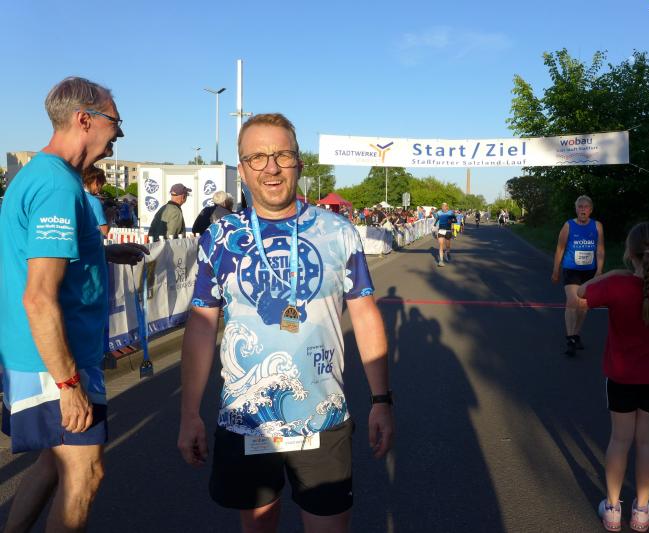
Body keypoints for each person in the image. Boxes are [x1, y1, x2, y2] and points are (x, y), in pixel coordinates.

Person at [178, 113, 394, 533]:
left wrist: (382, 400)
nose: (271, 167)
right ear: (242, 170)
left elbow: (365, 315)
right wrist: (189, 413)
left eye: (282, 155)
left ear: (299, 163)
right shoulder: (220, 238)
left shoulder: (338, 232)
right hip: (247, 419)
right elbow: (202, 326)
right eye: (257, 157)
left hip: (323, 419)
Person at [0, 76, 147, 532]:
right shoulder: (57, 186)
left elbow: (39, 257)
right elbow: (39, 296)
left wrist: (104, 252)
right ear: (85, 119)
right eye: (115, 122)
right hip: (54, 363)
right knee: (85, 473)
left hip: (45, 356)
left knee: (53, 464)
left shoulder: (45, 176)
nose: (119, 134)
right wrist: (68, 383)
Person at [575, 222, 649, 532]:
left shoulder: (616, 286)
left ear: (629, 253)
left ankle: (612, 509)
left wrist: (611, 273)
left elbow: (581, 293)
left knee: (619, 440)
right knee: (647, 443)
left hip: (620, 378)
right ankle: (641, 511)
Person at [551, 195, 605, 356]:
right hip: (571, 268)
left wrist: (599, 270)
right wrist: (556, 270)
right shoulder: (568, 225)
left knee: (583, 305)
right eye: (580, 207)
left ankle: (575, 334)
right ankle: (570, 339)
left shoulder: (597, 226)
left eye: (586, 207)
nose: (583, 210)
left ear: (591, 210)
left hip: (589, 270)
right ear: (576, 209)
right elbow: (560, 248)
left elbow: (600, 249)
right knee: (573, 301)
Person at [82, 165, 110, 236]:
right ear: (96, 182)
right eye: (102, 184)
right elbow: (104, 231)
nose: (101, 188)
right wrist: (110, 216)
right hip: (90, 241)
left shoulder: (74, 196)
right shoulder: (94, 201)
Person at [434, 202, 456, 267]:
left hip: (448, 230)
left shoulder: (451, 213)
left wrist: (451, 222)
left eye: (444, 206)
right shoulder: (439, 213)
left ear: (447, 207)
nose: (443, 207)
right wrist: (435, 227)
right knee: (441, 245)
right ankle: (441, 261)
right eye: (442, 206)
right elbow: (437, 220)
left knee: (447, 246)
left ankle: (448, 253)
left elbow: (455, 220)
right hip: (441, 230)